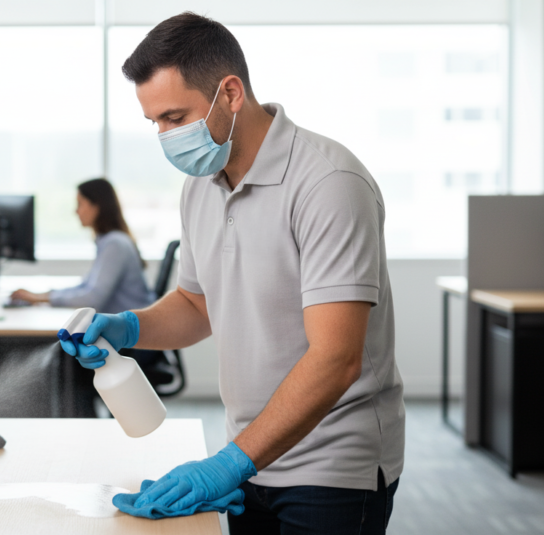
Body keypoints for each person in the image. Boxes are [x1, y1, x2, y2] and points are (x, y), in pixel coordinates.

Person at [61, 13, 404, 534]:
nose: (165, 136)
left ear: (230, 93)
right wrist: (129, 327)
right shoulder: (200, 184)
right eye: (154, 122)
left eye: (175, 117)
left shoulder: (328, 182)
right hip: (249, 453)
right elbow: (198, 305)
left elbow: (337, 359)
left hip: (331, 468)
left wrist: (228, 464)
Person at [11, 178, 153, 313]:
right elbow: (85, 287)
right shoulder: (108, 241)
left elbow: (92, 299)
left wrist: (41, 298)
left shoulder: (115, 244)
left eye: (80, 204)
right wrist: (42, 296)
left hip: (132, 331)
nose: (76, 211)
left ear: (96, 207)